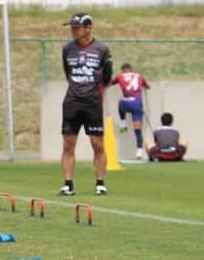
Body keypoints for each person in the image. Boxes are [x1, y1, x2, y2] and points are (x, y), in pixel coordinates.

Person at [58, 13, 113, 197]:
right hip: (72, 102)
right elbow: (68, 74)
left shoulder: (102, 50)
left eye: (77, 27)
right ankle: (68, 184)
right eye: (72, 27)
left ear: (88, 28)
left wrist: (95, 95)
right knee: (68, 144)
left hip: (93, 104)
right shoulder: (67, 49)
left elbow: (107, 78)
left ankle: (100, 184)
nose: (73, 31)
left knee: (97, 144)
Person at [111, 62, 150, 160]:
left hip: (126, 103)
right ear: (131, 69)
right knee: (137, 130)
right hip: (137, 104)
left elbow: (110, 83)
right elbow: (147, 86)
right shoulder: (139, 76)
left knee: (120, 103)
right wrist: (146, 87)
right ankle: (139, 152)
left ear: (123, 70)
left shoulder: (120, 76)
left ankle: (124, 124)